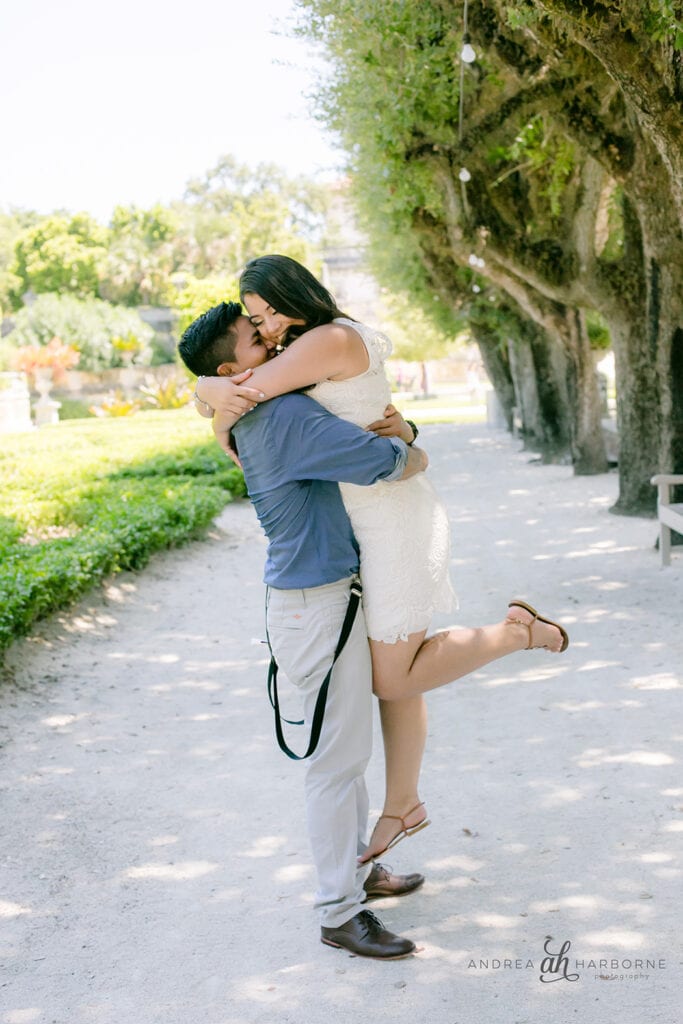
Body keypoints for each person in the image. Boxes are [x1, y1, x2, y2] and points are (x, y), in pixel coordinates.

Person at [193, 257, 569, 862]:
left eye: (267, 314)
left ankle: (516, 633)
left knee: (390, 675)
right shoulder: (307, 342)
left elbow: (241, 394)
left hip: (388, 513)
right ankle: (403, 805)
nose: (264, 330)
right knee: (397, 676)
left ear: (297, 294)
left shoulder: (328, 338)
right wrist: (214, 395)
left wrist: (206, 392)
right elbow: (251, 393)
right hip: (364, 514)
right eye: (256, 322)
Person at [180, 302, 428, 959]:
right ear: (234, 370)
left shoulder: (260, 407)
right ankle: (337, 912)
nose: (274, 342)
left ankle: (358, 872)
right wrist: (406, 441)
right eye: (256, 338)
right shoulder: (282, 415)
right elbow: (385, 462)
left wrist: (206, 396)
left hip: (311, 598)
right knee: (335, 764)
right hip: (316, 605)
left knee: (343, 756)